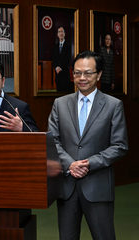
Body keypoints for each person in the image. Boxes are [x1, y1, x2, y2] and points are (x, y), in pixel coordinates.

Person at [48, 50, 128, 240]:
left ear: (99, 74)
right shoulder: (60, 104)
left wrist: (88, 164)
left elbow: (119, 145)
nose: (82, 78)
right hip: (67, 188)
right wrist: (70, 164)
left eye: (88, 73)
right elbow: (52, 141)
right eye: (77, 73)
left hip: (98, 187)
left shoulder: (113, 105)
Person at [52, 26, 73, 92]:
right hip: (57, 75)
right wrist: (56, 67)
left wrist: (60, 67)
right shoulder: (55, 46)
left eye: (62, 31)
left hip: (65, 74)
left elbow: (68, 59)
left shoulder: (68, 45)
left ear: (64, 34)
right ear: (57, 34)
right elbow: (54, 59)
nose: (61, 33)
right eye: (59, 32)